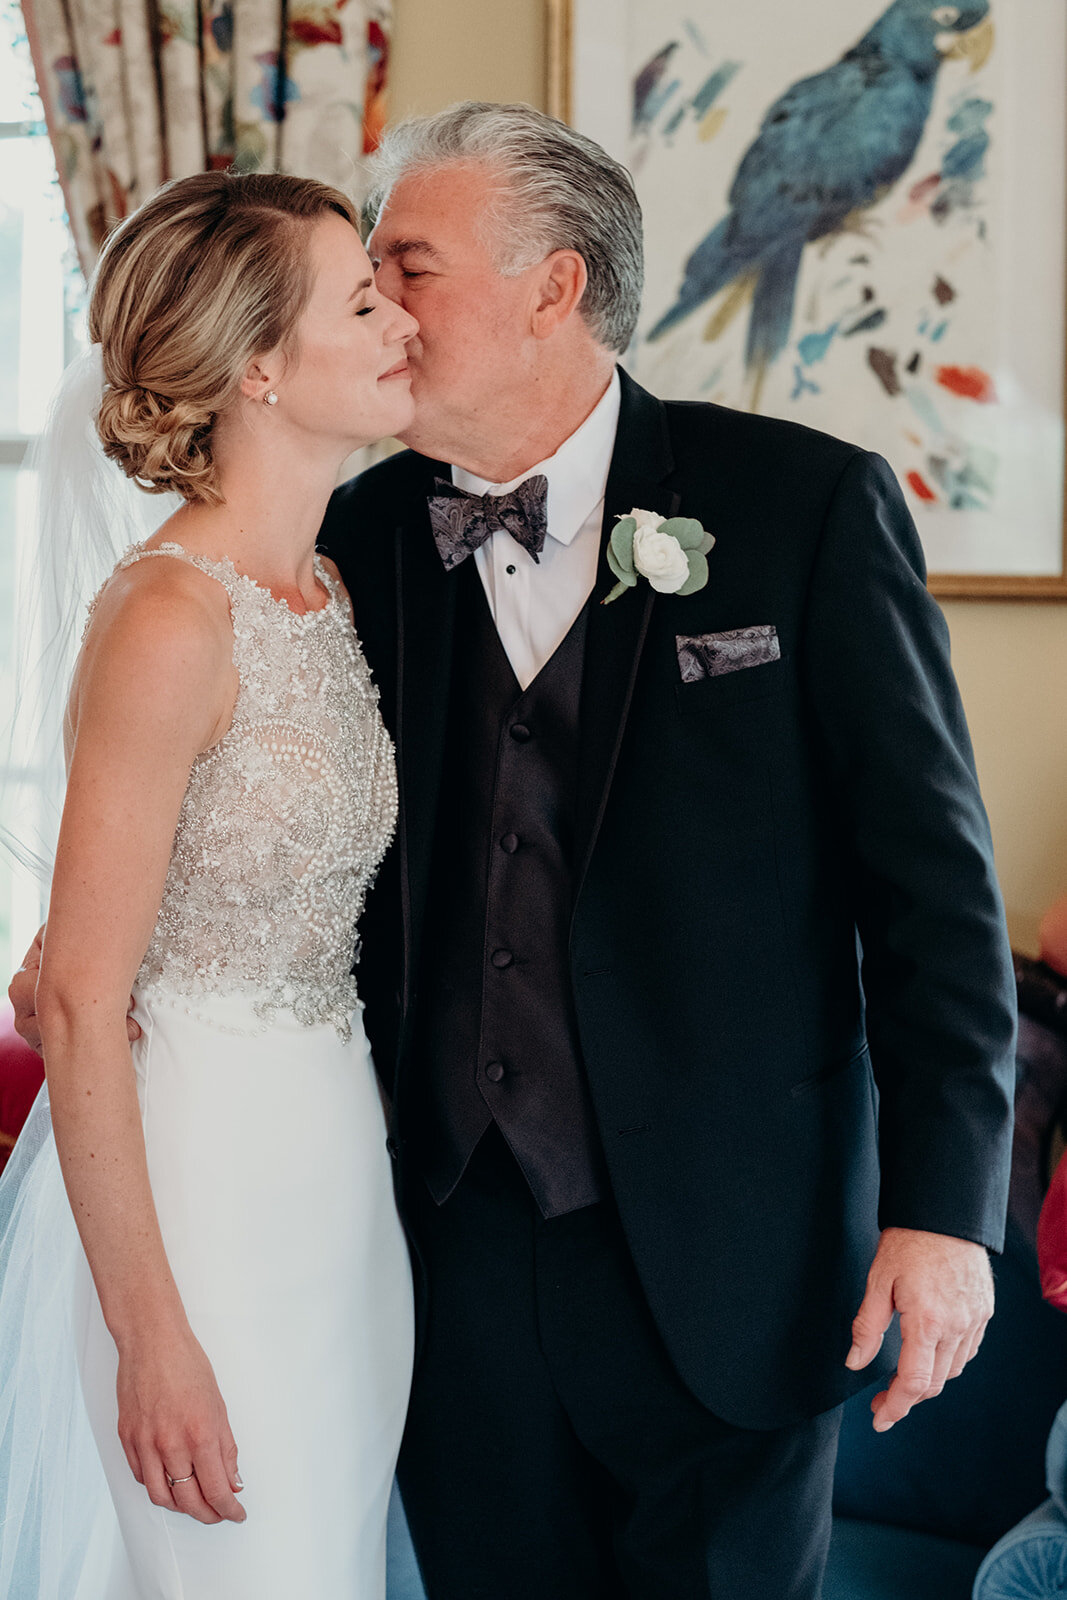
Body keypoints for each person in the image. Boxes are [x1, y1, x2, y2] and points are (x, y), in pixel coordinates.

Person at [12, 104, 1018, 1600]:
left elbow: (935, 902)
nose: (386, 306)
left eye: (405, 265)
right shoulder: (342, 550)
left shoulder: (801, 509)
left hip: (732, 1270)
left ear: (554, 287)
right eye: (363, 282)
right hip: (436, 1263)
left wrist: (948, 1215)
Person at [1, 169, 418, 1599]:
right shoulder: (169, 619)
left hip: (335, 1178)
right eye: (360, 300)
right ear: (257, 365)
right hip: (197, 1188)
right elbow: (78, 996)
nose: (399, 324)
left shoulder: (329, 593)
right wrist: (149, 1337)